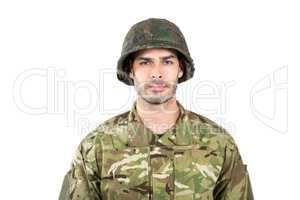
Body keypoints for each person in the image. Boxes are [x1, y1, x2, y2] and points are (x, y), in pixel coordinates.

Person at [59, 18, 254, 200]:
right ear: (130, 70)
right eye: (145, 62)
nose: (157, 73)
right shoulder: (97, 146)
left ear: (181, 69)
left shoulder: (218, 144)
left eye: (167, 61)